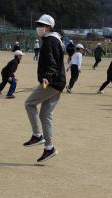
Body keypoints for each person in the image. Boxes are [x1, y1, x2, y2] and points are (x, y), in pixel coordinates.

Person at [23, 14, 66, 162]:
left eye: (41, 25)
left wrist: (46, 78)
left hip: (51, 81)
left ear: (48, 27)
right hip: (58, 82)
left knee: (29, 104)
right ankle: (49, 148)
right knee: (45, 115)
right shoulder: (56, 39)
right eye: (38, 24)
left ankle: (37, 135)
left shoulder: (49, 40)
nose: (38, 27)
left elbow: (52, 61)